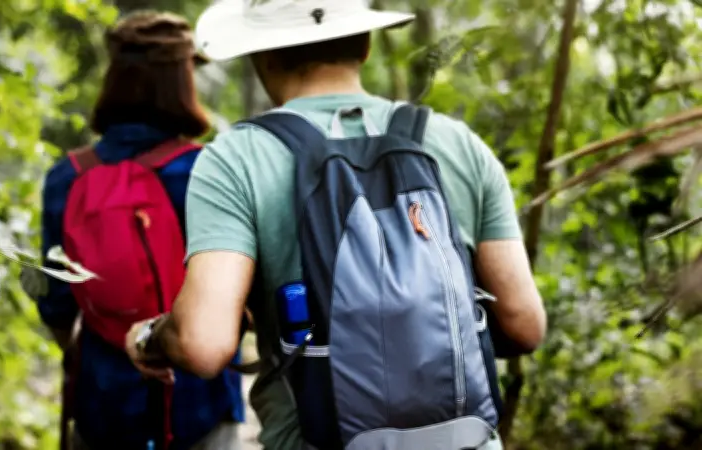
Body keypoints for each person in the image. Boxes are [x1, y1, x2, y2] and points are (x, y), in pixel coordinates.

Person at [125, 1, 547, 449]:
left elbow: (203, 342)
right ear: (365, 45)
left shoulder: (236, 158)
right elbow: (524, 325)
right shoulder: (458, 144)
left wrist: (150, 338)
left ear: (263, 54)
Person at [37, 10, 243, 450]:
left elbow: (56, 305)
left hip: (102, 403)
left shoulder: (66, 177)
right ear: (183, 81)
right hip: (199, 402)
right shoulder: (207, 170)